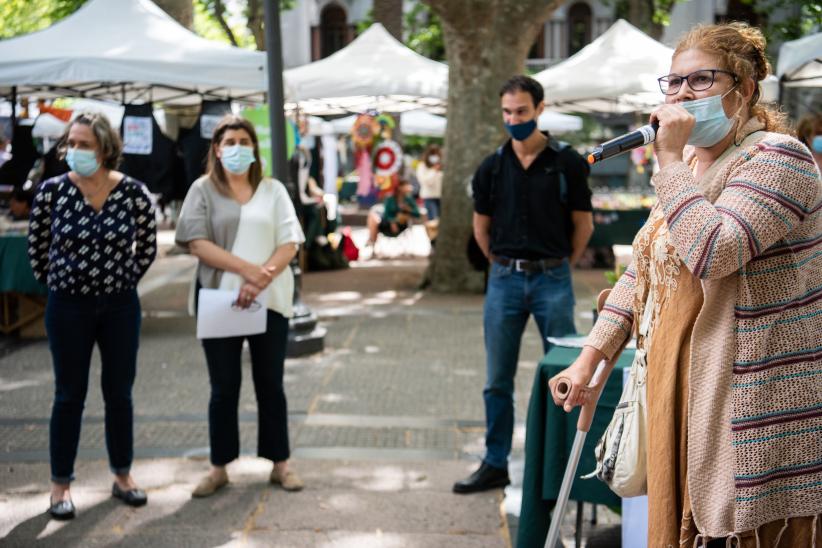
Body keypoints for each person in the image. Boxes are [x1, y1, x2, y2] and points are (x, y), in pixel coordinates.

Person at [549, 23, 821, 547]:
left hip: (746, 393)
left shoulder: (780, 160)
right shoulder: (693, 167)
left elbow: (713, 252)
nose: (680, 96)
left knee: (733, 530)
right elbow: (646, 265)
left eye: (699, 81)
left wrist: (669, 163)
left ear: (742, 90)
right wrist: (592, 354)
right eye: (672, 84)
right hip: (679, 385)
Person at [453, 74, 594, 494]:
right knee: (497, 380)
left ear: (539, 109)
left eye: (521, 111)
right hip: (504, 282)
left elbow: (583, 226)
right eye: (507, 112)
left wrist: (560, 264)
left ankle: (561, 466)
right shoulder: (491, 167)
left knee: (566, 376)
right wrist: (502, 266)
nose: (513, 119)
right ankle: (495, 462)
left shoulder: (567, 162)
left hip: (553, 279)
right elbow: (481, 229)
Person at [27, 112, 157, 520]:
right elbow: (38, 250)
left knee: (120, 393)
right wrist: (65, 285)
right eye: (71, 144)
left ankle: (123, 477)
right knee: (69, 395)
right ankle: (60, 486)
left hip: (120, 306)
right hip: (68, 307)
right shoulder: (51, 192)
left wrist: (119, 281)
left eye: (84, 144)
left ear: (105, 148)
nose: (74, 151)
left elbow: (148, 246)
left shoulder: (134, 193)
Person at [175, 114, 306, 498]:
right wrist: (250, 271)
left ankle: (280, 464)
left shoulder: (273, 190)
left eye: (243, 141)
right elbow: (196, 242)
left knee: (271, 384)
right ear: (216, 149)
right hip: (219, 299)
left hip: (270, 300)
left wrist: (263, 278)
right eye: (228, 142)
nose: (236, 148)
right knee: (224, 386)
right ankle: (219, 467)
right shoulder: (202, 190)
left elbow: (290, 241)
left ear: (254, 148)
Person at [364, 179, 424, 251]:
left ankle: (371, 240)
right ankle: (372, 240)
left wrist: (408, 209)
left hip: (401, 224)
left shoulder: (409, 199)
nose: (408, 187)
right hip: (388, 224)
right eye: (406, 185)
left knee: (373, 220)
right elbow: (386, 214)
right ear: (399, 187)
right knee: (373, 217)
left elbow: (417, 214)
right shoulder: (390, 198)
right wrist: (392, 221)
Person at [416, 144, 443, 221]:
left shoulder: (441, 166)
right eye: (433, 154)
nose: (435, 156)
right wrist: (434, 170)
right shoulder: (422, 166)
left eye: (437, 154)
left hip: (440, 197)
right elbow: (425, 182)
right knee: (433, 220)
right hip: (429, 197)